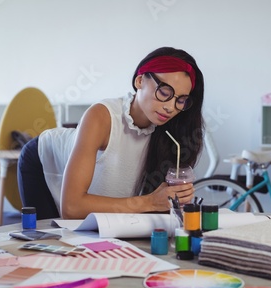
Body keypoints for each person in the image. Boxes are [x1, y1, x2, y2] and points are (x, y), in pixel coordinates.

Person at [17, 46, 204, 220]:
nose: (171, 107)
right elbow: (72, 207)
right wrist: (149, 202)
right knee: (52, 239)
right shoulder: (102, 116)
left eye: (181, 100)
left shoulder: (170, 133)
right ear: (140, 81)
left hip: (91, 190)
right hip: (43, 162)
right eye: (164, 92)